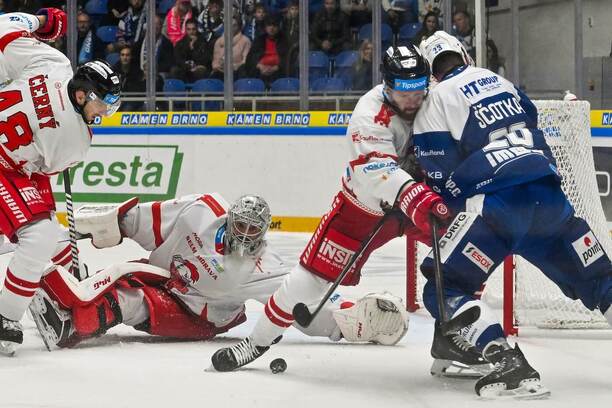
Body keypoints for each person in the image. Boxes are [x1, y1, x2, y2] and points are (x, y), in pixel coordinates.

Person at [210, 44, 454, 372]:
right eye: (403, 91)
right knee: (308, 279)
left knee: (463, 248)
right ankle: (257, 341)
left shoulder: (437, 95)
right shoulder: (369, 113)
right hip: (364, 209)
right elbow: (376, 173)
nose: (413, 99)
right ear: (387, 84)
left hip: (421, 198)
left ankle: (456, 338)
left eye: (418, 88)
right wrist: (414, 186)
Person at [413, 31, 612, 398]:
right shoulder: (499, 81)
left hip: (496, 212)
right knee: (602, 281)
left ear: (430, 72)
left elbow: (440, 179)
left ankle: (505, 361)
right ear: (465, 56)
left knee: (445, 287)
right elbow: (533, 124)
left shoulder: (436, 98)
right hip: (551, 201)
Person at [29, 194, 409, 350]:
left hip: (198, 315)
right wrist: (108, 225)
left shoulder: (265, 267)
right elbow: (146, 221)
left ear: (263, 232)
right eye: (240, 226)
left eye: (252, 231)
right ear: (230, 219)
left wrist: (350, 319)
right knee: (124, 278)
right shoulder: (202, 211)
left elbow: (304, 308)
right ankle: (59, 296)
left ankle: (70, 325)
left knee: (133, 302)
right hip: (165, 275)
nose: (244, 235)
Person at [0, 10, 122, 356]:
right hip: (6, 165)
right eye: (103, 104)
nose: (104, 114)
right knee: (38, 232)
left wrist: (42, 21)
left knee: (43, 230)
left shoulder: (51, 60)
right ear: (83, 95)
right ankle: (5, 316)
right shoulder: (76, 139)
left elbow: (4, 29)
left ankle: (57, 272)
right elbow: (42, 172)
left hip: (7, 161)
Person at [247, 14, 287, 88]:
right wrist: (260, 66)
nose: (271, 28)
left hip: (279, 72)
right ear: (265, 27)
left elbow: (287, 59)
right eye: (269, 25)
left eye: (274, 25)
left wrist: (276, 67)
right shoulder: (259, 40)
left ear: (278, 27)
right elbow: (250, 58)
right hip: (260, 71)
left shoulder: (285, 40)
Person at [210, 15, 251, 80]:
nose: (230, 27)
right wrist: (217, 66)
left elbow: (245, 62)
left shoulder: (245, 41)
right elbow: (215, 61)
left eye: (234, 25)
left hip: (236, 73)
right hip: (220, 72)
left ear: (239, 27)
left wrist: (233, 66)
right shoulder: (218, 41)